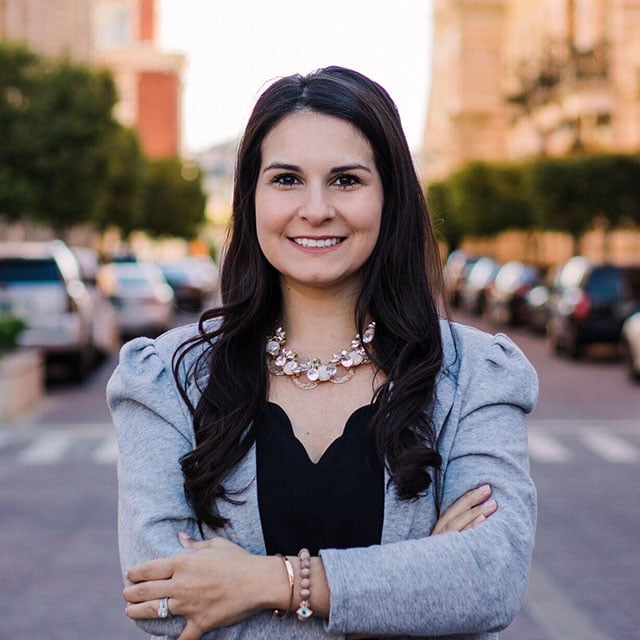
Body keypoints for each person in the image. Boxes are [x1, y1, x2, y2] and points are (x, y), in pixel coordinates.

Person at [107, 66, 538, 640]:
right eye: (286, 179)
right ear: (251, 196)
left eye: (346, 180)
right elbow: (164, 602)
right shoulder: (167, 378)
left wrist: (274, 584)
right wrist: (410, 596)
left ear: (390, 195)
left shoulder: (475, 374)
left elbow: (490, 578)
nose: (315, 208)